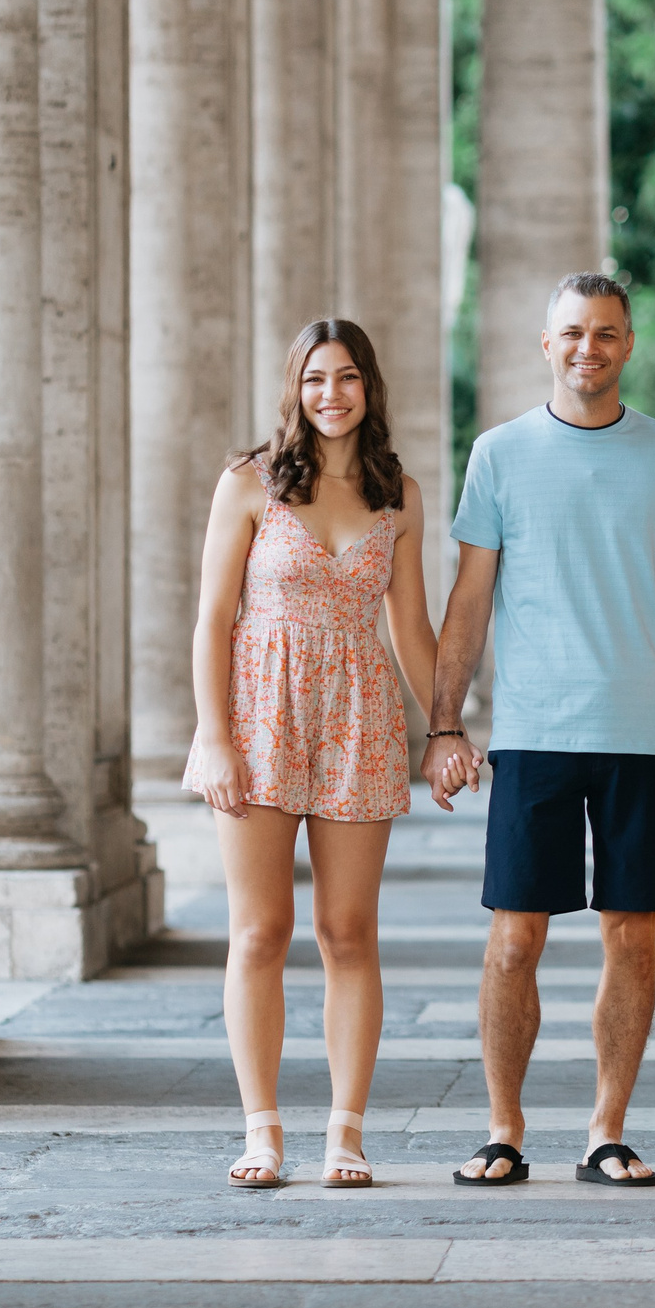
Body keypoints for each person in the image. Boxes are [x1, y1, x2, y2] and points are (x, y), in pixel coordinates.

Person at [424, 273, 655, 1188]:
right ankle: (504, 1128)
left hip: (640, 733)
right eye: (570, 332)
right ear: (544, 343)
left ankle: (605, 1129)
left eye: (605, 332)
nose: (587, 347)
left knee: (631, 935)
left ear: (628, 342)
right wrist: (443, 725)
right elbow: (469, 600)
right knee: (515, 936)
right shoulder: (498, 453)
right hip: (532, 733)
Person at [184, 320, 441, 1190]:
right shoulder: (250, 484)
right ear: (295, 389)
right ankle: (262, 1130)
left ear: (370, 388)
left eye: (348, 379)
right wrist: (213, 735)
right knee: (260, 930)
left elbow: (411, 630)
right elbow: (214, 617)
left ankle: (346, 1132)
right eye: (316, 379)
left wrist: (446, 725)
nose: (332, 395)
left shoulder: (397, 494)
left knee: (347, 931)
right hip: (259, 715)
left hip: (358, 719)